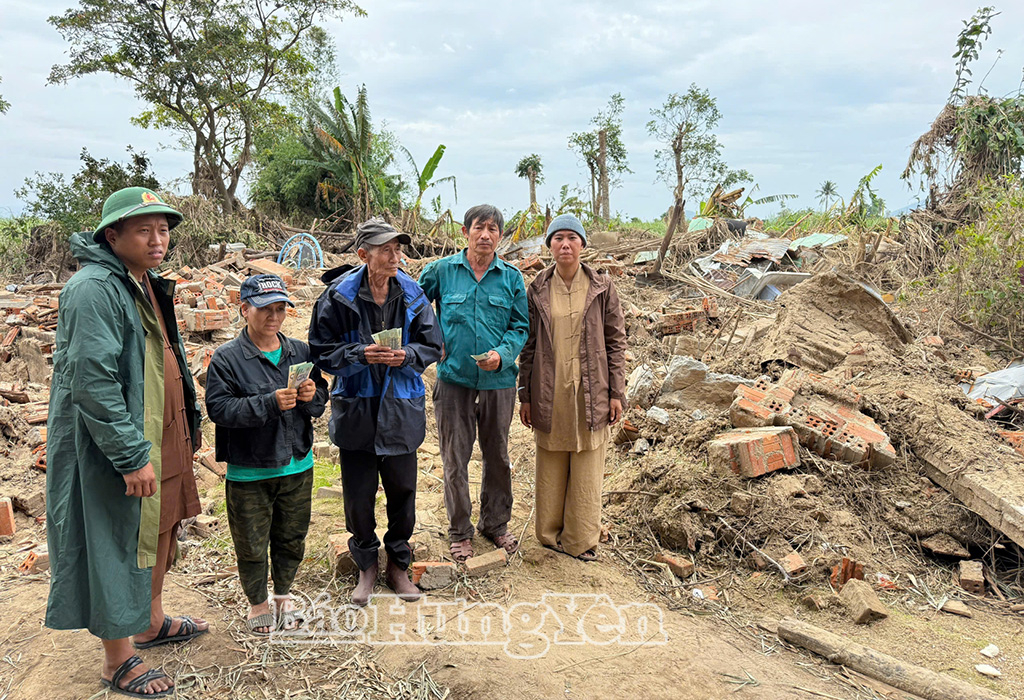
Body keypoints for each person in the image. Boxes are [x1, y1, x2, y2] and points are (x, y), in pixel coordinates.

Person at [45, 187, 208, 699]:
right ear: (112, 236)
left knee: (159, 528)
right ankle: (117, 659)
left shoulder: (141, 282)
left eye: (163, 229)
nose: (158, 238)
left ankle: (151, 621)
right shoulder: (94, 289)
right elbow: (91, 382)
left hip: (162, 430)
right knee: (117, 539)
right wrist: (130, 454)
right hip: (119, 445)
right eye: (144, 229)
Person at [308, 218, 442, 605]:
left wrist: (408, 356)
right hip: (358, 410)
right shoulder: (337, 297)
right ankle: (366, 564)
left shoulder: (413, 293)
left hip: (402, 409)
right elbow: (320, 351)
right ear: (363, 254)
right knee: (358, 495)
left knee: (403, 492)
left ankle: (398, 566)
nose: (394, 256)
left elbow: (433, 345)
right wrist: (358, 355)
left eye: (397, 249)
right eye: (386, 250)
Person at [204, 274, 328, 634]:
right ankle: (258, 602)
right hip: (251, 471)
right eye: (265, 309)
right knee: (252, 544)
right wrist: (268, 403)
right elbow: (219, 408)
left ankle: (283, 596)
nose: (274, 317)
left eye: (280, 309)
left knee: (291, 538)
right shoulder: (228, 358)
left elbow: (321, 396)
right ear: (244, 309)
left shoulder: (300, 351)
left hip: (297, 464)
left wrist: (311, 397)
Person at [418, 205, 528, 562]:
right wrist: (433, 339)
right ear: (465, 232)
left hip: (498, 382)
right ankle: (460, 531)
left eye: (493, 229)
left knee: (497, 454)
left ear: (500, 236)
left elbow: (521, 327)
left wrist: (503, 353)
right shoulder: (442, 271)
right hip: (454, 380)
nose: (486, 235)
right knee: (455, 457)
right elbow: (414, 306)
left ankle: (495, 524)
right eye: (479, 228)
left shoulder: (511, 278)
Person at [518, 214, 627, 562]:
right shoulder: (536, 288)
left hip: (592, 387)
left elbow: (616, 342)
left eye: (572, 238)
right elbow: (529, 345)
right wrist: (525, 395)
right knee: (551, 457)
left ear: (582, 244)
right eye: (557, 238)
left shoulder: (602, 286)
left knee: (587, 463)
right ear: (549, 245)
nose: (565, 244)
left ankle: (581, 539)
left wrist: (616, 392)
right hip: (549, 387)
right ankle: (549, 536)